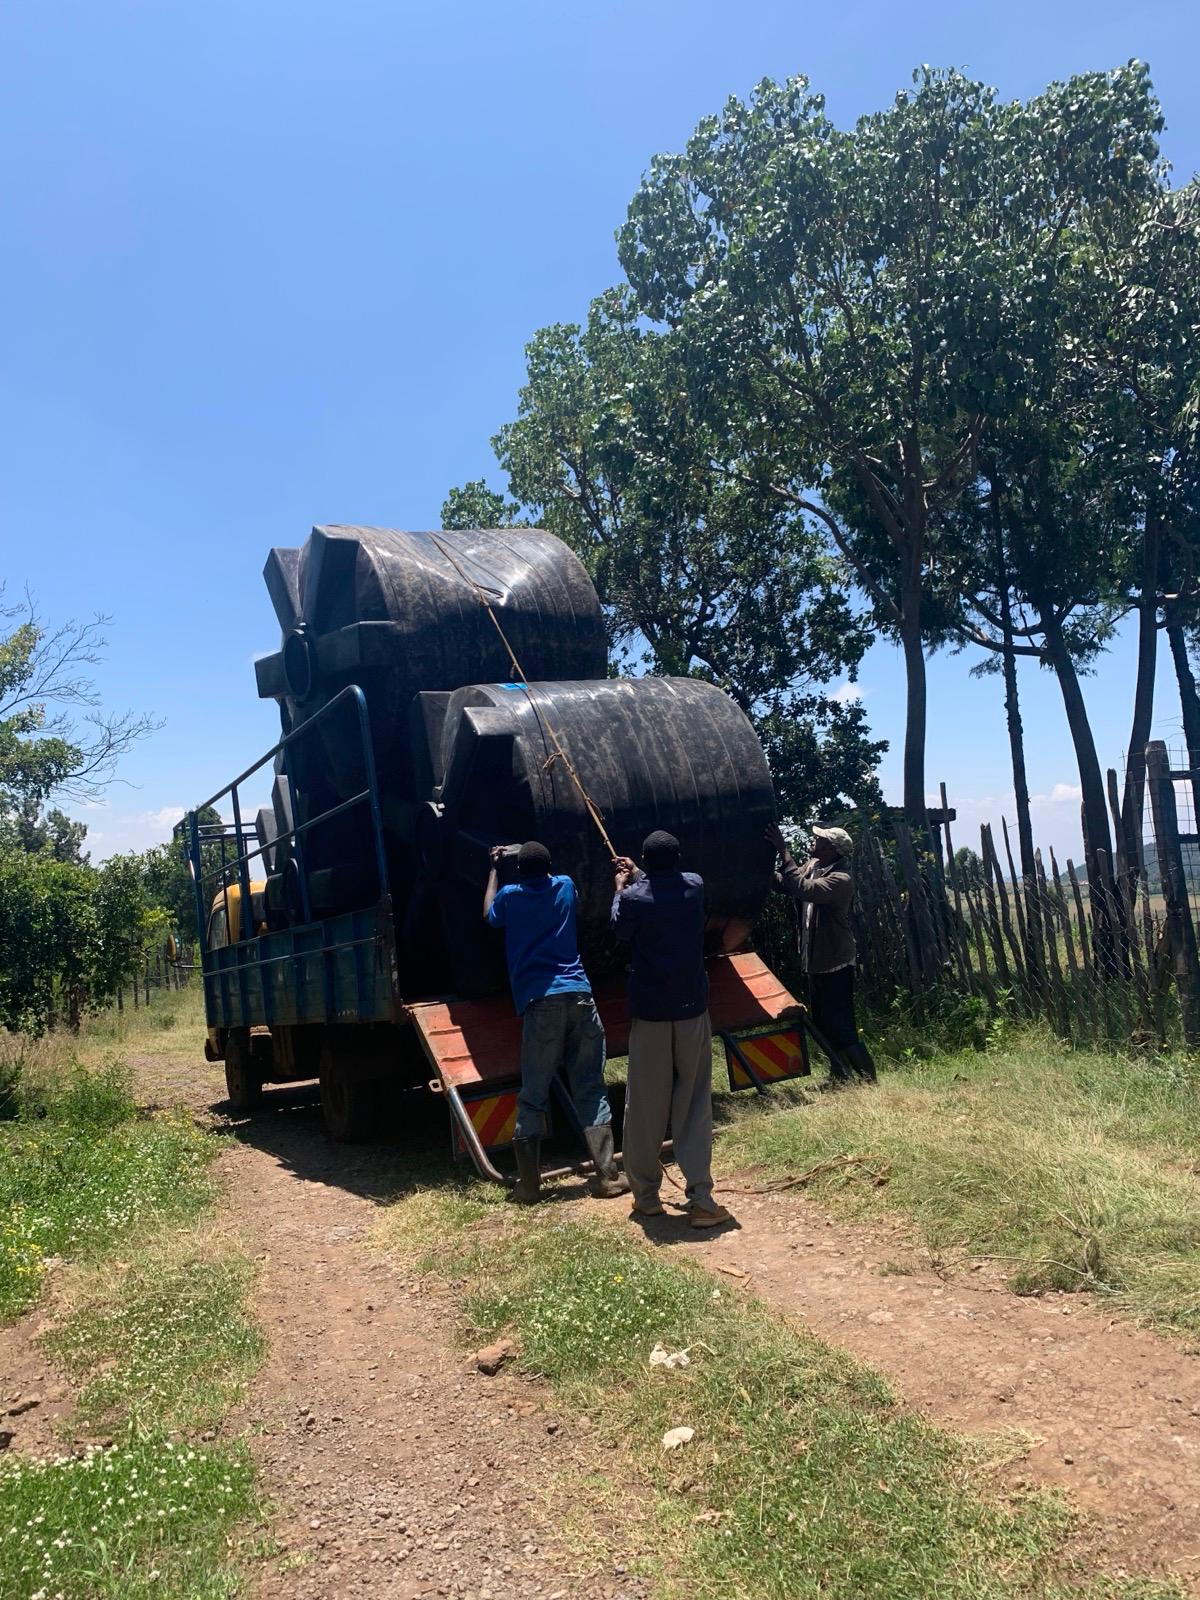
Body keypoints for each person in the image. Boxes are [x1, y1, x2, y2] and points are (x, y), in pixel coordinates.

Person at [484, 840, 628, 1204]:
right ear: (548, 867)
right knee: (591, 1087)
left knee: (534, 1095)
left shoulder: (510, 897)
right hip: (580, 996)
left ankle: (530, 1186)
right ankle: (607, 1177)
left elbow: (488, 914)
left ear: (518, 871)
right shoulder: (564, 885)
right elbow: (560, 882)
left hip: (540, 1001)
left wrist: (494, 869)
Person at [611, 830, 731, 1228]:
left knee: (645, 1105)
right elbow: (668, 886)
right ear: (678, 857)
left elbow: (621, 929)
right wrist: (642, 874)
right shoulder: (694, 887)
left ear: (646, 859)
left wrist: (620, 886)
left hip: (650, 1014)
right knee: (695, 1102)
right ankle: (701, 1199)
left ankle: (646, 1197)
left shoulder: (632, 898)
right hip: (692, 1008)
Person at [765, 823, 877, 1087]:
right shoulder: (813, 867)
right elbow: (788, 884)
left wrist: (784, 851)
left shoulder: (841, 879)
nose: (814, 843)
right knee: (824, 1022)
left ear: (831, 850)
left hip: (835, 961)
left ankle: (868, 1080)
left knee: (841, 1024)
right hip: (817, 961)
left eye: (820, 841)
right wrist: (763, 869)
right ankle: (840, 1076)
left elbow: (806, 890)